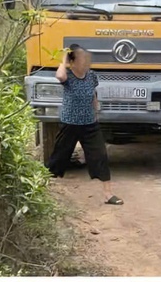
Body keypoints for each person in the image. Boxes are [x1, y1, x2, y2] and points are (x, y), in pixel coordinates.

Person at [47, 45, 122, 205]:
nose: (85, 62)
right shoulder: (67, 75)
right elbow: (59, 76)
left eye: (86, 58)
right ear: (72, 61)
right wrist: (64, 59)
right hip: (70, 124)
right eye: (81, 58)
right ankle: (43, 191)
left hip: (89, 124)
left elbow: (93, 94)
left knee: (100, 156)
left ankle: (108, 194)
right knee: (58, 158)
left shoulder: (91, 75)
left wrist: (96, 112)